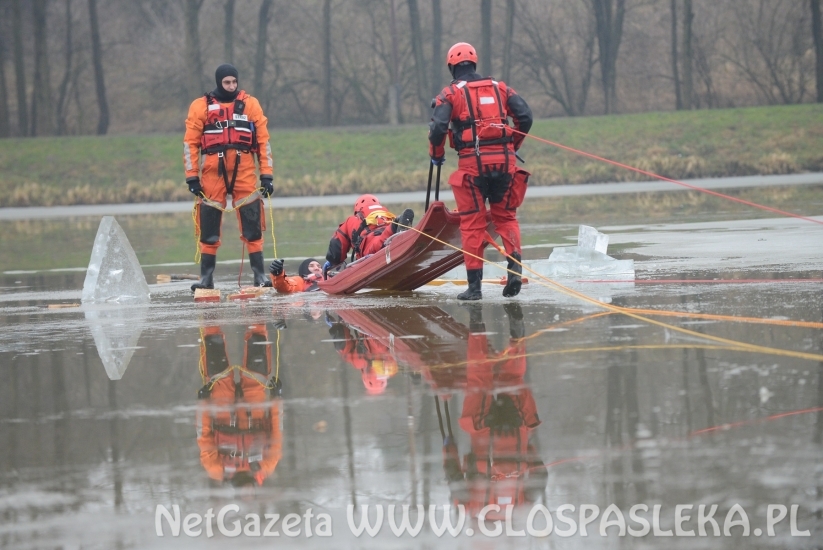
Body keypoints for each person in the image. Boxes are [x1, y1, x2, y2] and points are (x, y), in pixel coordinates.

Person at [429, 42, 533, 300]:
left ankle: (474, 289)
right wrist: (511, 146)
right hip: (505, 165)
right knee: (507, 218)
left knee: (473, 224)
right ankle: (514, 273)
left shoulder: (450, 93)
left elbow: (439, 128)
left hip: (472, 169)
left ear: (452, 67)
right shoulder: (501, 89)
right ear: (474, 63)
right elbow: (526, 117)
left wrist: (437, 155)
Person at [184, 63, 275, 291]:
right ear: (218, 82)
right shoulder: (200, 107)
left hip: (244, 169)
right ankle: (206, 278)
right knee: (209, 224)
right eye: (227, 82)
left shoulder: (251, 105)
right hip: (212, 172)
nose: (231, 86)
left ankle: (259, 275)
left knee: (252, 222)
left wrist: (266, 176)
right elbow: (190, 144)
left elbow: (263, 142)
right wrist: (192, 177)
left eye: (234, 82)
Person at [196, 322, 282, 488]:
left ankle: (210, 315)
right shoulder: (266, 466)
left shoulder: (216, 469)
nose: (247, 493)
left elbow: (203, 434)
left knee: (215, 357)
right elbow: (277, 431)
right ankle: (256, 318)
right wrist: (276, 399)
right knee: (257, 356)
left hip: (222, 409)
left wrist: (203, 403)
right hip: (254, 407)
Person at [323, 194, 415, 275]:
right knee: (386, 236)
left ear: (357, 209)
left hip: (371, 246)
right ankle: (395, 227)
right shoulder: (386, 214)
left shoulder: (351, 220)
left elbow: (337, 248)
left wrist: (332, 261)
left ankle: (394, 229)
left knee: (378, 243)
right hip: (389, 236)